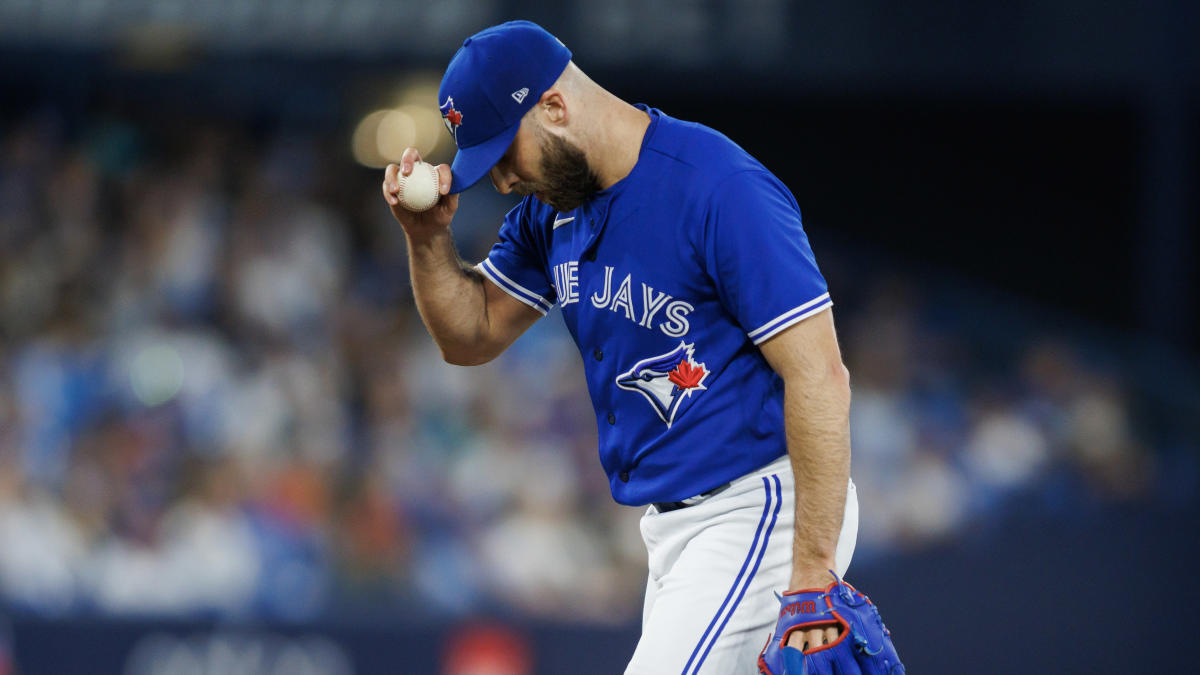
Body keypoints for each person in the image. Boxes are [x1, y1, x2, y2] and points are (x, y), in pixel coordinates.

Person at [382, 20, 899, 675]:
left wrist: (810, 572)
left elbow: (821, 375)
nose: (504, 182)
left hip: (762, 502)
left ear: (556, 107)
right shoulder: (552, 210)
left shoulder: (716, 184)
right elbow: (472, 334)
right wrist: (427, 240)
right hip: (674, 527)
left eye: (507, 155)